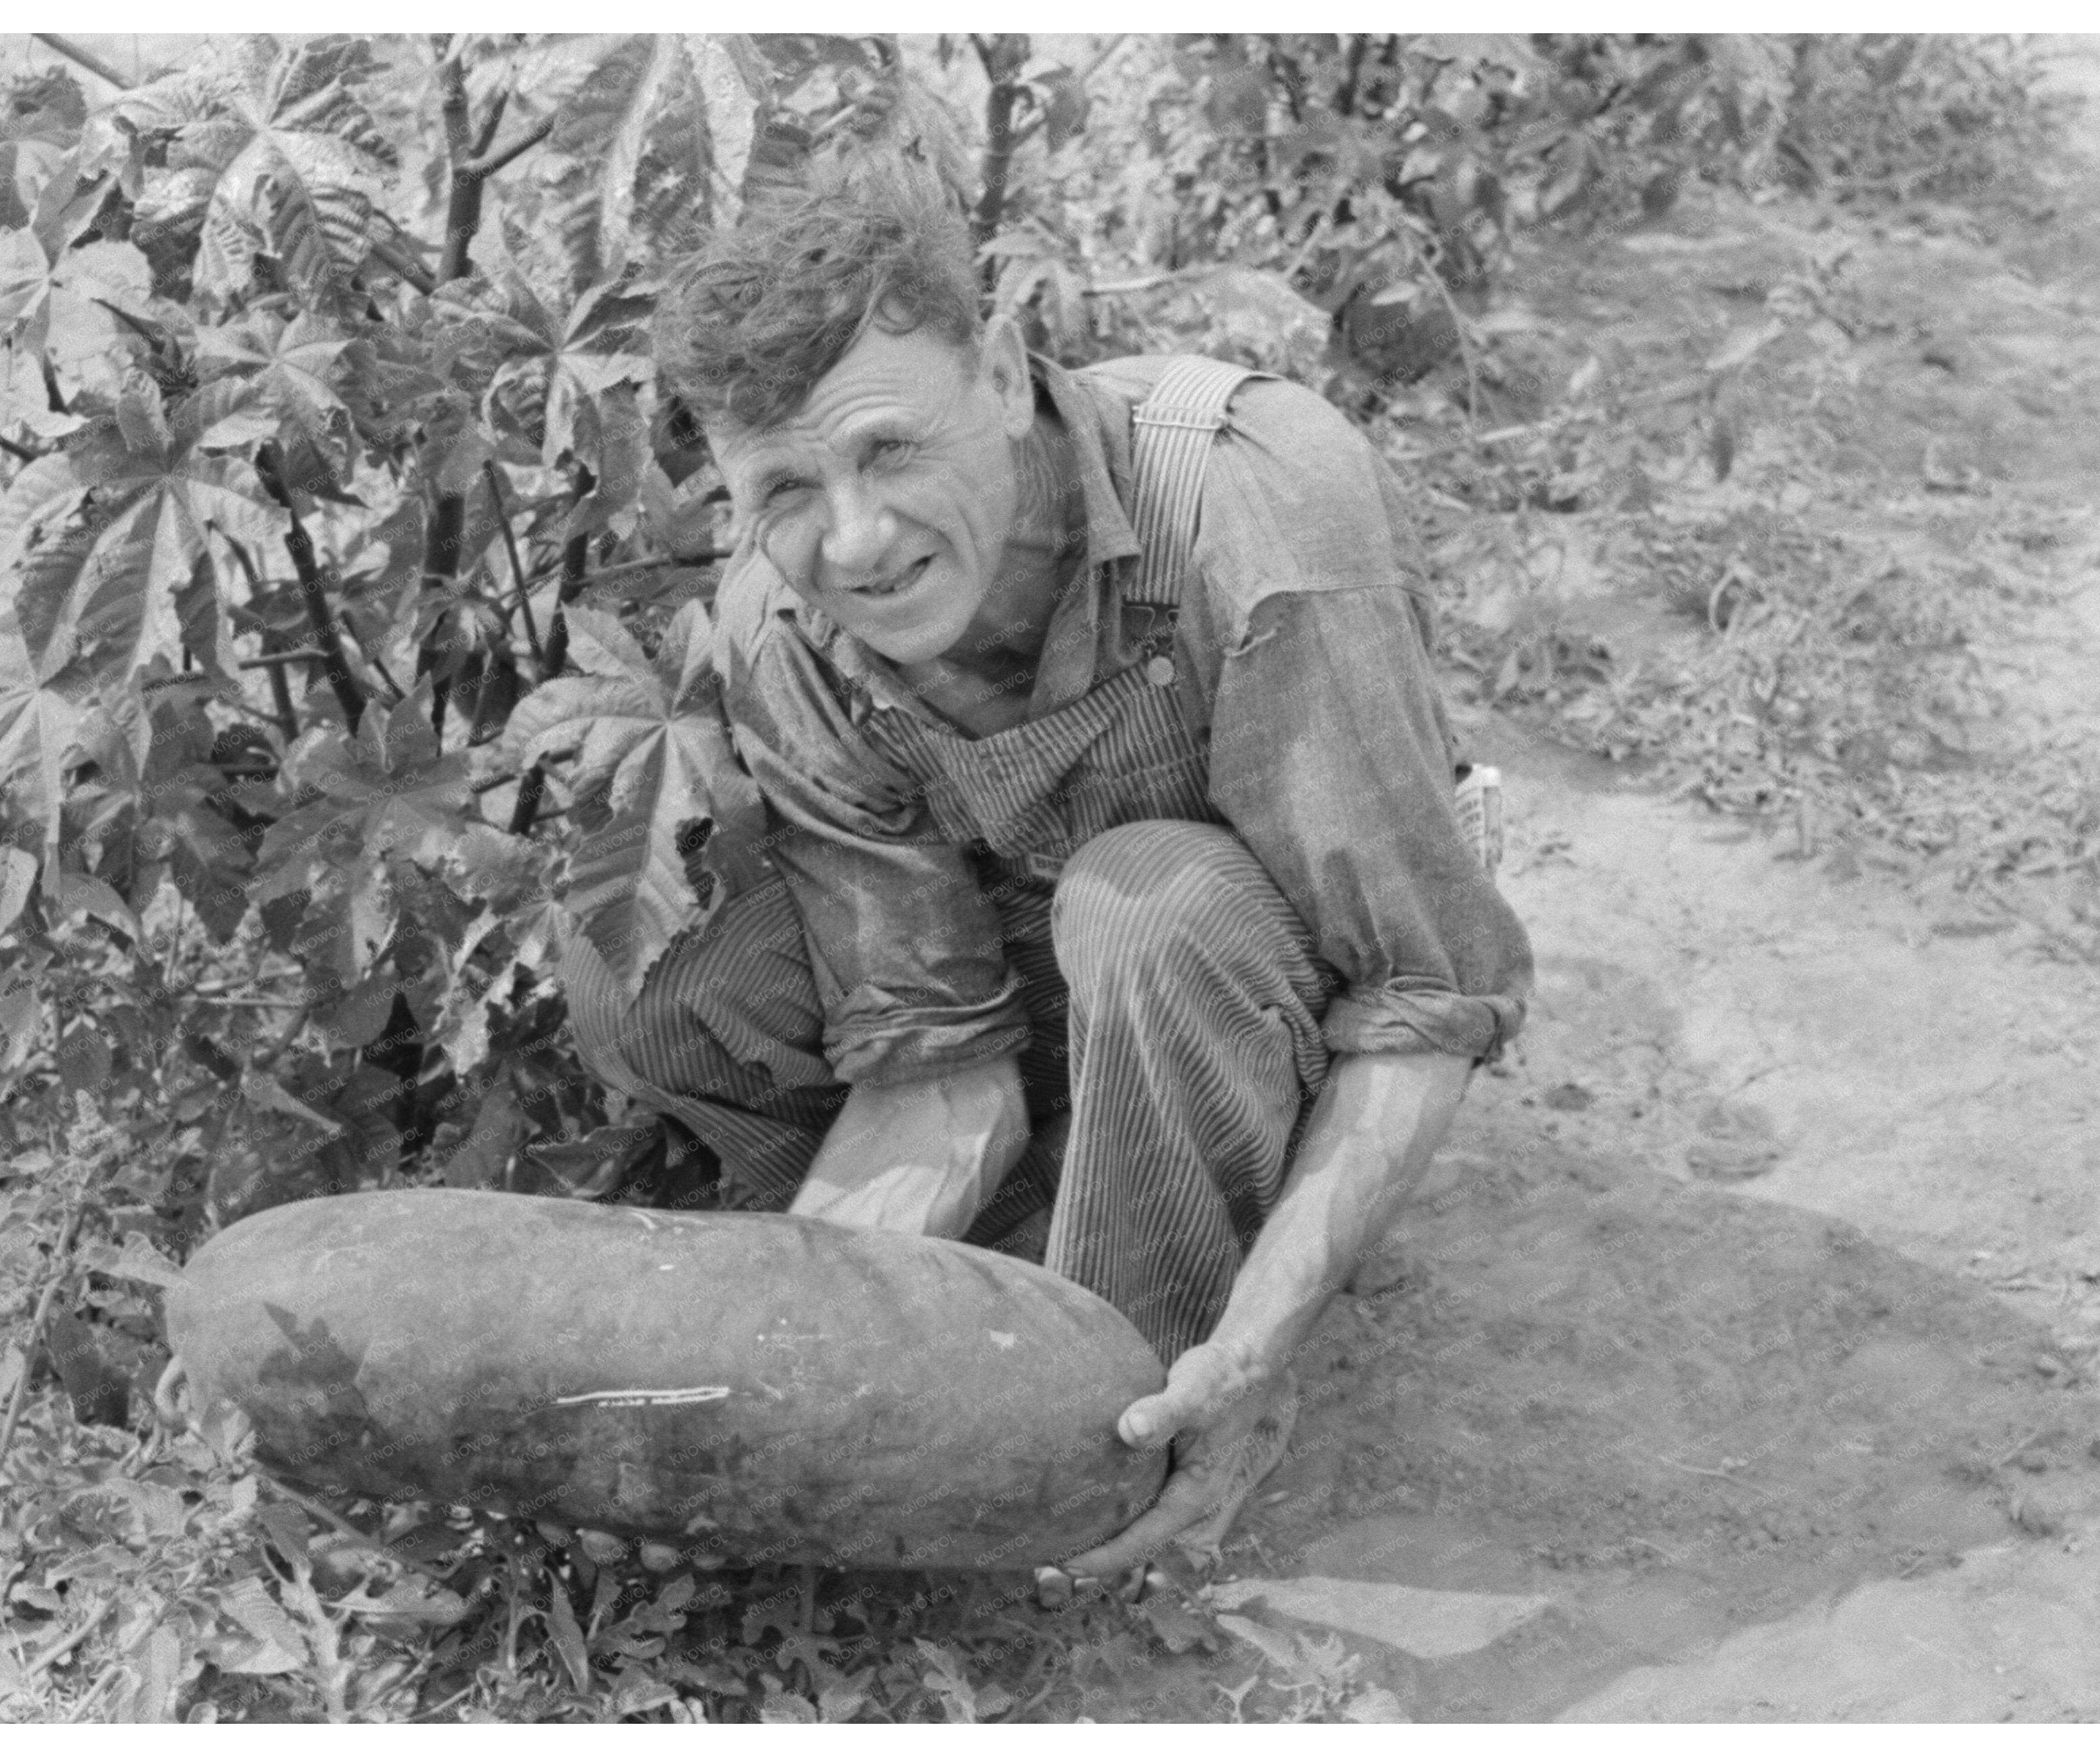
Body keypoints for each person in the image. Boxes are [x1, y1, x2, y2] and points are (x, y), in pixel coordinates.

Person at [564, 163, 1533, 1589]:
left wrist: (1256, 1347)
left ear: (1004, 370)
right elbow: (932, 1060)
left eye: (890, 450)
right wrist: (749, 1379)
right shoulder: (782, 616)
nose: (855, 541)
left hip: (1275, 952)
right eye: (782, 488)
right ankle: (1050, 1221)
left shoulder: (1246, 501)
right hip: (1044, 959)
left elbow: (1418, 989)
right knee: (663, 986)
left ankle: (1151, 1369)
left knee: (1143, 902)